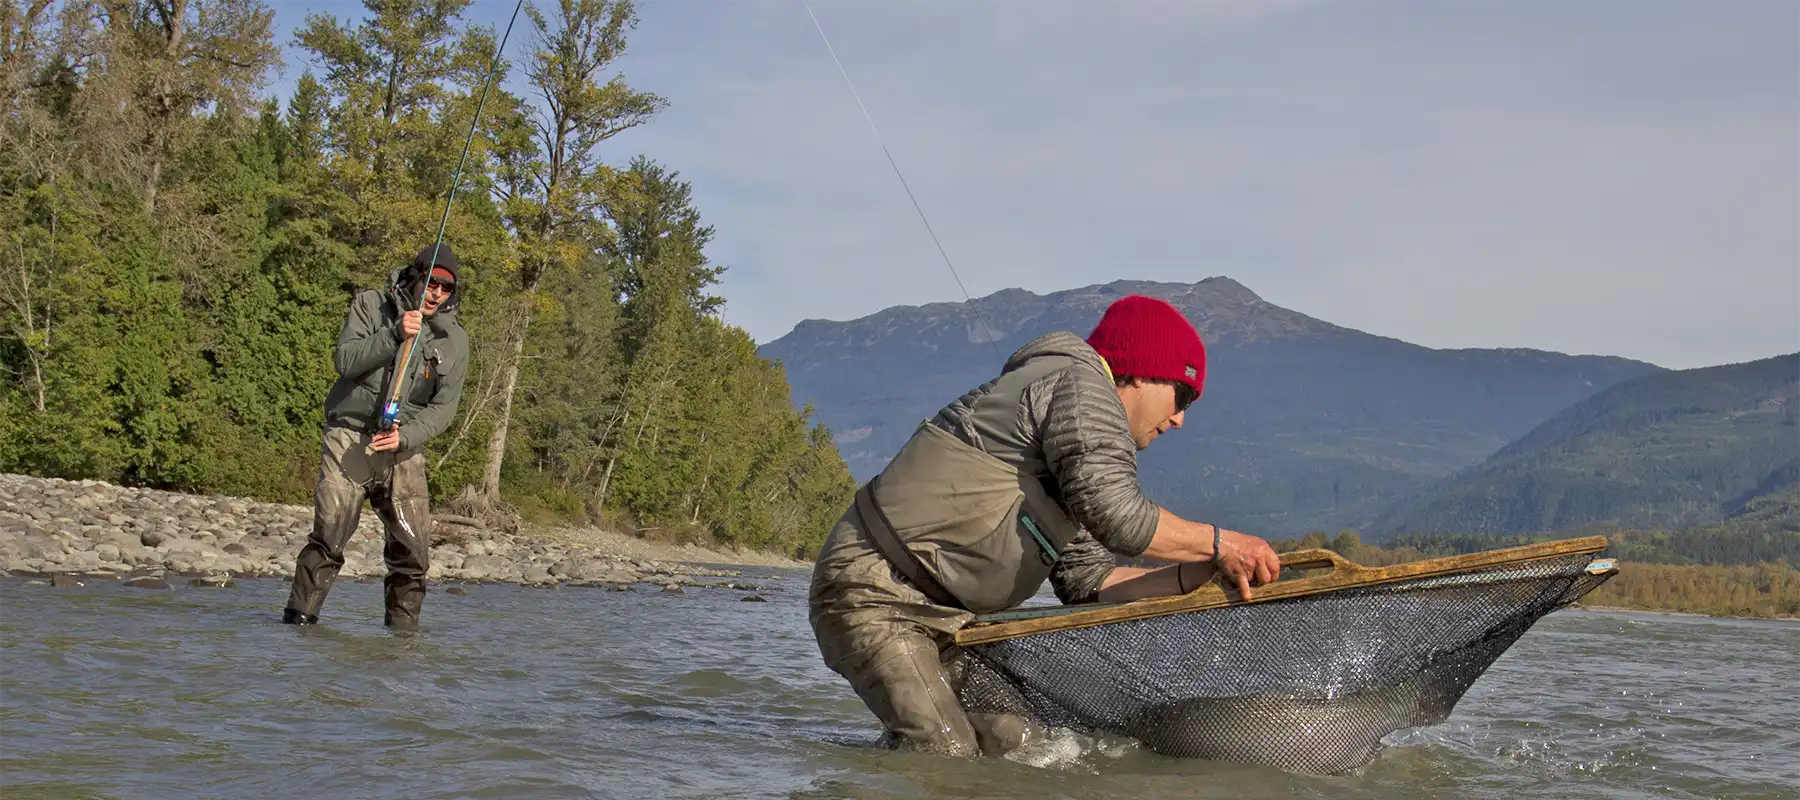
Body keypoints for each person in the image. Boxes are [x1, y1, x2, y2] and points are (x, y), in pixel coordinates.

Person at [807, 293, 1283, 757]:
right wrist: (1219, 543)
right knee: (943, 750)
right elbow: (1119, 516)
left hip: (952, 623)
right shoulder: (1079, 384)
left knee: (1020, 743)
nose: (1179, 420)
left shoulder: (1071, 451)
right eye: (1181, 397)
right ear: (1137, 374)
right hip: (876, 595)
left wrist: (1195, 577)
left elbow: (1091, 583)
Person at [282, 244, 470, 628]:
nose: (435, 292)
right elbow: (345, 361)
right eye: (430, 282)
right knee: (329, 539)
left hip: (403, 449)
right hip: (349, 438)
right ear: (416, 277)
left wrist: (405, 436)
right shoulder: (371, 305)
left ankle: (400, 645)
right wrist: (394, 335)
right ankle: (297, 629)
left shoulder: (455, 341)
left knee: (414, 555)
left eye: (445, 288)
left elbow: (444, 409)